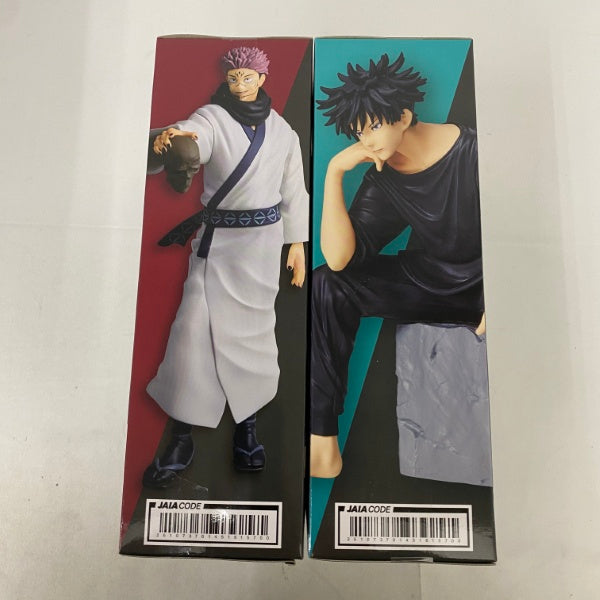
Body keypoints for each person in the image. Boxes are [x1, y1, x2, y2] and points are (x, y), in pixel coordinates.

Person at [310, 53, 485, 478]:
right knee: (328, 283)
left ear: (404, 115)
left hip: (484, 286)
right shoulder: (386, 176)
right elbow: (340, 259)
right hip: (432, 284)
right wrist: (334, 173)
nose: (366, 141)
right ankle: (322, 444)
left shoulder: (476, 152)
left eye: (372, 126)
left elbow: (521, 232)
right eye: (358, 132)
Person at [143, 46, 308, 487]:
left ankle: (247, 429)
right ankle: (181, 436)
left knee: (253, 335)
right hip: (217, 243)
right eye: (233, 77)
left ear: (262, 79)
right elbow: (196, 136)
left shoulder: (283, 131)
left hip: (261, 246)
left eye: (247, 77)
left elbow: (294, 189)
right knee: (192, 332)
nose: (239, 84)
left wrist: (297, 243)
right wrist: (178, 139)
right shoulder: (212, 117)